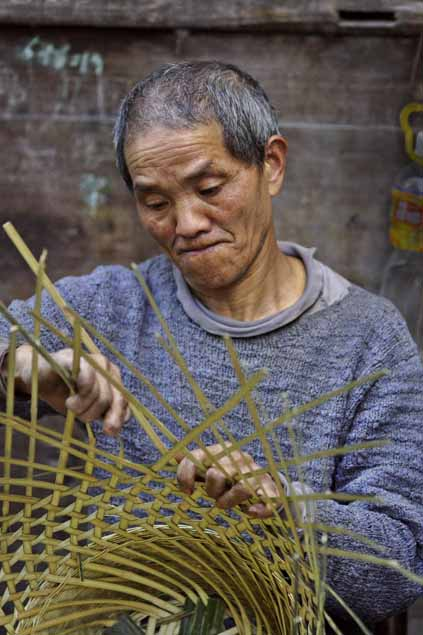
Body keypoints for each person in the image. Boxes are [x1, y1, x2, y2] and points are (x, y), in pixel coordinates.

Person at [1, 61, 423, 630]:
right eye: (155, 203)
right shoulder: (111, 307)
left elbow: (396, 568)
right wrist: (22, 364)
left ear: (270, 165)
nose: (188, 223)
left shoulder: (369, 339)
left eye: (209, 188)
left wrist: (283, 507)